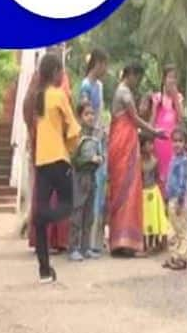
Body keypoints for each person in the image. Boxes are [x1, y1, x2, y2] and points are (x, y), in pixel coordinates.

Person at [32, 53, 80, 282]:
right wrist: (70, 148)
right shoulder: (59, 95)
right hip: (59, 160)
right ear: (55, 73)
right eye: (61, 71)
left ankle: (44, 271)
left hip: (41, 162)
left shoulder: (39, 96)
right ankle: (44, 216)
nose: (63, 75)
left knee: (39, 221)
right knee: (68, 206)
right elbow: (74, 130)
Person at [108, 63, 162, 256]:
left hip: (121, 142)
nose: (137, 82)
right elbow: (135, 119)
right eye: (136, 78)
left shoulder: (120, 92)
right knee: (129, 190)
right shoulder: (125, 93)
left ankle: (119, 241)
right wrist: (155, 131)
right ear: (129, 75)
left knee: (121, 190)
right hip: (124, 144)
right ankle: (127, 242)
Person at [78, 48, 108, 256]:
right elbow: (86, 112)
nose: (105, 68)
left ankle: (93, 241)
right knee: (87, 190)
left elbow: (101, 112)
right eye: (104, 64)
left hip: (100, 137)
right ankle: (83, 242)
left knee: (99, 188)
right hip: (89, 138)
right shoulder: (86, 86)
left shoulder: (99, 86)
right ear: (96, 63)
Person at [68, 103, 103, 262]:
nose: (90, 117)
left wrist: (100, 159)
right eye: (87, 114)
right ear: (80, 117)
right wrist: (89, 159)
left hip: (92, 177)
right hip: (80, 177)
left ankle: (86, 247)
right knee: (77, 212)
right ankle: (73, 248)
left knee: (89, 215)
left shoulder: (95, 138)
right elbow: (74, 159)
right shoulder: (77, 136)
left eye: (92, 114)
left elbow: (100, 155)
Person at [150, 65, 184, 196]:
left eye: (175, 78)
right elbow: (152, 122)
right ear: (164, 79)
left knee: (171, 173)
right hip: (159, 141)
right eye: (170, 77)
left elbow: (181, 119)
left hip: (172, 143)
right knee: (159, 174)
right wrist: (155, 105)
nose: (172, 81)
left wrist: (175, 98)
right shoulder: (157, 97)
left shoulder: (179, 98)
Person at [163, 128, 187, 271]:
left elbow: (183, 182)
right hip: (171, 198)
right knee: (171, 229)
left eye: (180, 141)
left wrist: (180, 200)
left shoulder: (184, 161)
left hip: (179, 199)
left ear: (185, 143)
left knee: (181, 230)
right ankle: (173, 256)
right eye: (175, 141)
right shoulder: (173, 159)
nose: (177, 144)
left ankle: (182, 258)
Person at [140, 132, 168, 253]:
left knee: (153, 219)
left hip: (153, 192)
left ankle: (153, 243)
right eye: (148, 144)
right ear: (141, 146)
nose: (151, 146)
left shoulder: (155, 161)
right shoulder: (138, 162)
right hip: (143, 193)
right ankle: (144, 244)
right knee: (144, 219)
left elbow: (157, 177)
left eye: (152, 144)